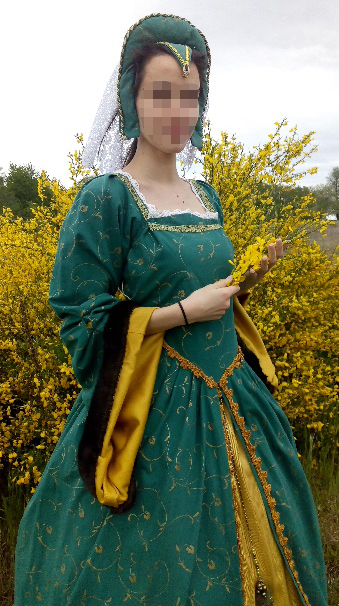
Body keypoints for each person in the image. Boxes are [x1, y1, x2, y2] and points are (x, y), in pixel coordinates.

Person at [14, 13, 328, 606]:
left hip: (235, 394)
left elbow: (204, 292)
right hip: (154, 410)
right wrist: (182, 312)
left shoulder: (202, 194)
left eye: (191, 96)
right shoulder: (107, 198)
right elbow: (81, 314)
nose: (178, 110)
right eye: (162, 93)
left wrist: (245, 281)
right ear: (131, 100)